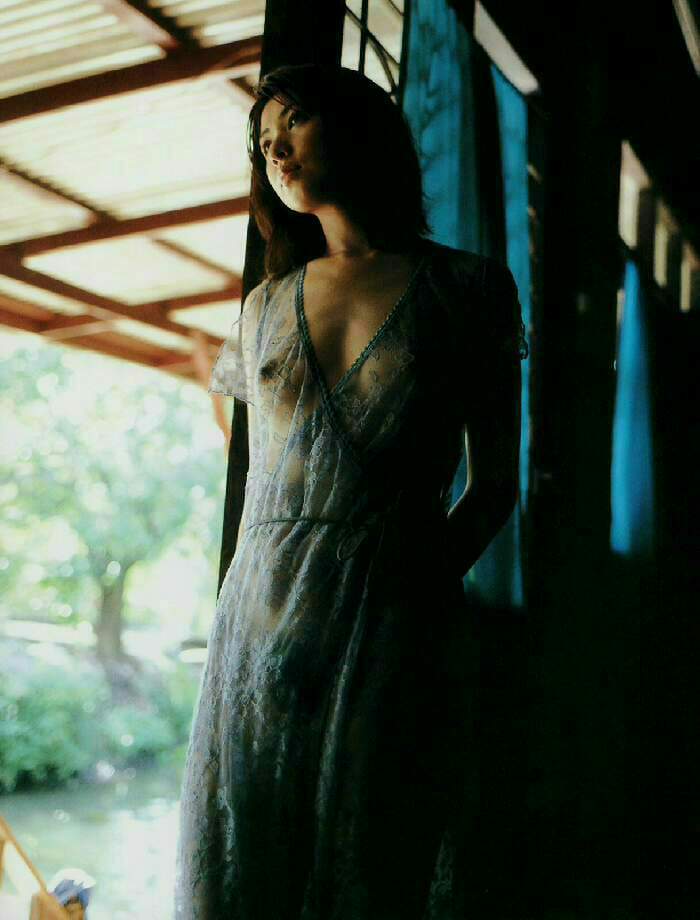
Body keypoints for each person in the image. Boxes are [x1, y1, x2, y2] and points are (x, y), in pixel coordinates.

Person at [175, 62, 527, 920]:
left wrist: (412, 585)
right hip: (260, 623)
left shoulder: (468, 289)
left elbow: (495, 485)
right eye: (264, 142)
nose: (276, 152)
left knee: (372, 864)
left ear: (362, 129)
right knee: (252, 863)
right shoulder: (264, 305)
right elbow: (261, 483)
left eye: (293, 124)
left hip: (395, 617)